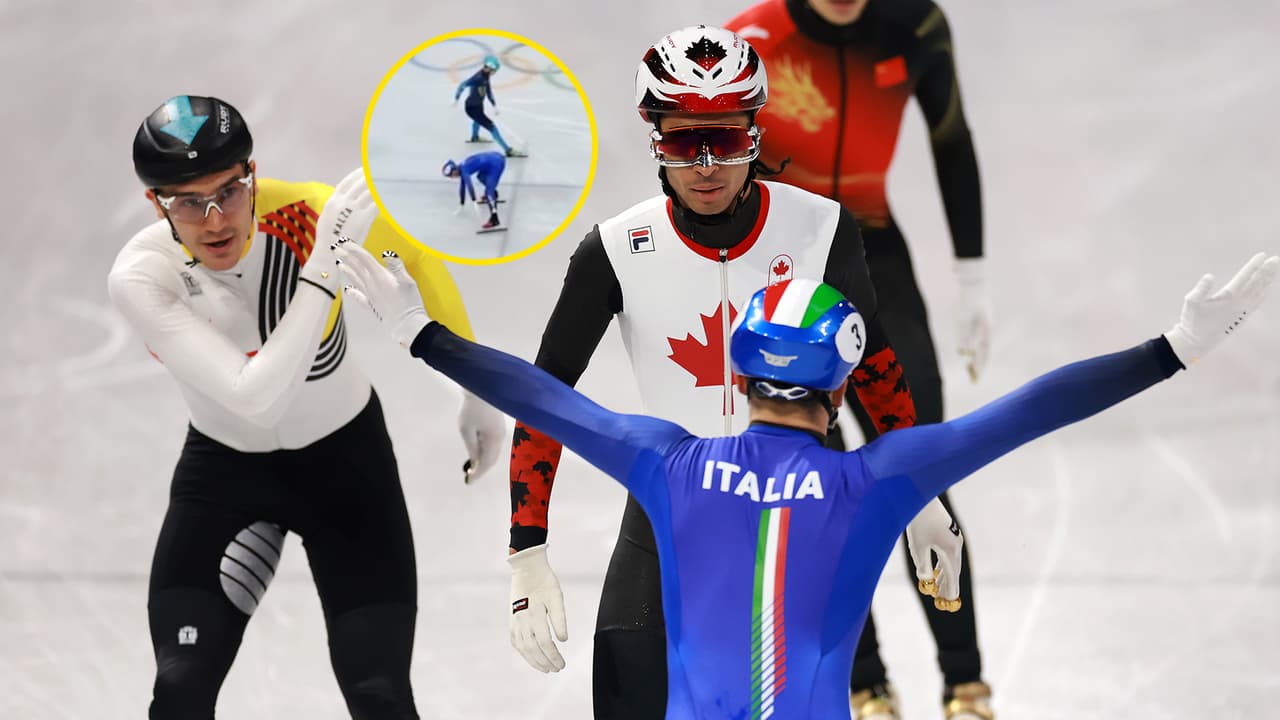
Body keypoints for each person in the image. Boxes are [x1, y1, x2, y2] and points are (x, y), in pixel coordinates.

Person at [335, 239, 1276, 720]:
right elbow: (1033, 407)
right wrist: (1176, 349)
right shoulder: (883, 477)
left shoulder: (668, 461)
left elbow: (542, 395)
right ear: (841, 388)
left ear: (740, 382)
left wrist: (426, 336)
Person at [500, 25, 964, 719]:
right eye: (687, 142)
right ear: (655, 140)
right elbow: (547, 398)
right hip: (668, 518)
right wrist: (526, 550)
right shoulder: (616, 249)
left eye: (729, 140)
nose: (708, 164)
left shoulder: (820, 229)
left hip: (797, 515)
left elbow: (876, 373)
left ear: (756, 133)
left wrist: (924, 498)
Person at [107, 95, 505, 719]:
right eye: (187, 201)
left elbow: (416, 258)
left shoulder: (314, 211)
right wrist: (322, 271)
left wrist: (476, 390)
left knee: (380, 697)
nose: (214, 221)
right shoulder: (142, 274)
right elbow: (253, 398)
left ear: (253, 175)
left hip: (347, 471)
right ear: (154, 203)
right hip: (225, 478)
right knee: (180, 691)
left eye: (229, 193)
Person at [725, 0, 991, 714]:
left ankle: (965, 682)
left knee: (917, 473)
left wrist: (972, 278)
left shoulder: (916, 23)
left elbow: (952, 140)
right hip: (779, 270)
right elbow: (703, 169)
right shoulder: (749, 41)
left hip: (874, 254)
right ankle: (866, 680)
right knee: (815, 486)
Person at [453, 54, 526, 158]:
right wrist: (456, 98)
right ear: (491, 69)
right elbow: (462, 85)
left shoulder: (485, 75)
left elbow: (488, 90)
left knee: (477, 120)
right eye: (495, 71)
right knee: (492, 127)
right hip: (472, 108)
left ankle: (475, 137)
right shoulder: (478, 78)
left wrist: (494, 105)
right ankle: (507, 150)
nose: (494, 73)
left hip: (477, 105)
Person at [443, 152, 506, 232]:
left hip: (496, 164)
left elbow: (469, 186)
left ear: (454, 170)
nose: (452, 178)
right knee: (480, 177)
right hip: (493, 158)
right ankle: (494, 194)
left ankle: (494, 219)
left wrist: (474, 201)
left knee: (488, 192)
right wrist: (461, 205)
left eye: (451, 175)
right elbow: (462, 187)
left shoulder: (464, 170)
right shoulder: (461, 167)